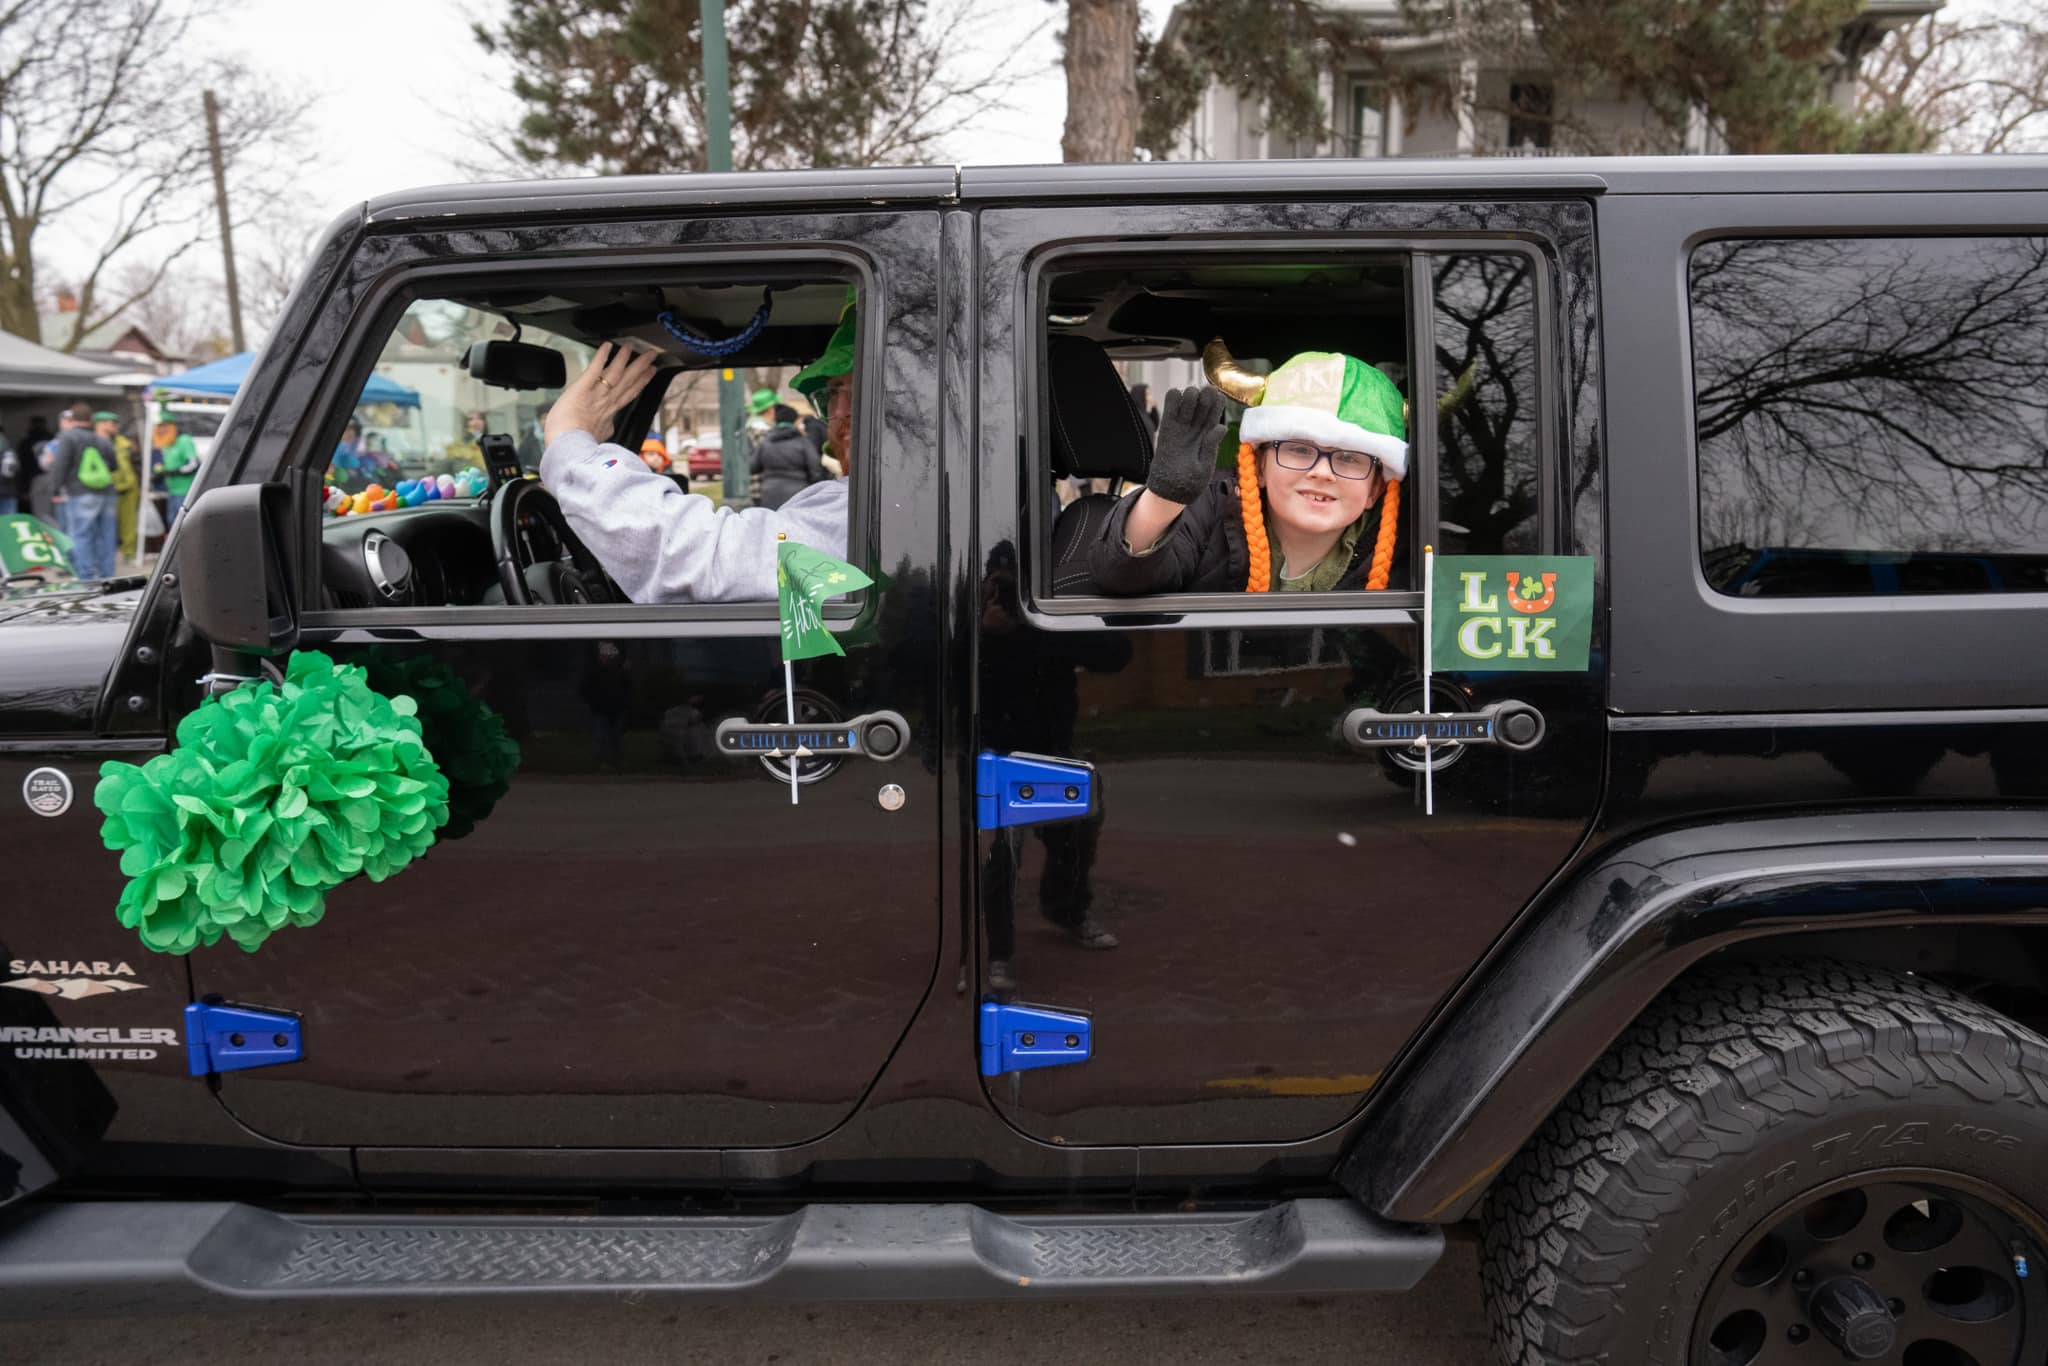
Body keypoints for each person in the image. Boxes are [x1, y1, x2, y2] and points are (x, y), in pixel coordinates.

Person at [539, 298, 856, 604]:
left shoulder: (860, 511)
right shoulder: (856, 502)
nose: (841, 411)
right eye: (833, 392)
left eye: (859, 388)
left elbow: (702, 560)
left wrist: (571, 444)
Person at [1090, 347, 1407, 595]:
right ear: (1258, 466)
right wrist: (1163, 499)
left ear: (1376, 489)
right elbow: (1121, 578)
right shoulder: (1211, 504)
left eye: (1350, 458)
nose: (1323, 472)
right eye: (1298, 449)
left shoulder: (1412, 548)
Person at [45, 403, 119, 579]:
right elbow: (114, 465)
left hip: (80, 492)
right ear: (91, 420)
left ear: (72, 419)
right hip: (107, 492)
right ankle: (107, 574)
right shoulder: (101, 439)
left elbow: (60, 466)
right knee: (107, 535)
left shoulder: (68, 437)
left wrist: (55, 490)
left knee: (81, 535)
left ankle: (86, 576)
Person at [749, 402, 826, 510]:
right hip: (798, 492)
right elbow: (816, 470)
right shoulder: (803, 442)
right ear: (794, 421)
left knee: (773, 524)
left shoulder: (765, 443)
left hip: (769, 492)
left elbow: (752, 467)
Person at [154, 410, 200, 526]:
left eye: (164, 426)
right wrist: (160, 473)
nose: (161, 430)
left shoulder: (184, 440)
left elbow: (193, 464)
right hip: (172, 491)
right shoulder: (166, 445)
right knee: (171, 522)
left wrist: (175, 472)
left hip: (185, 492)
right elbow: (165, 466)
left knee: (182, 523)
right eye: (159, 427)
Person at [109, 415, 140, 563]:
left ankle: (129, 553)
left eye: (116, 424)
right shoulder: (97, 442)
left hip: (128, 487)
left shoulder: (124, 443)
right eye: (112, 424)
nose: (115, 427)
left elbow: (136, 460)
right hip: (107, 488)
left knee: (129, 523)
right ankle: (109, 555)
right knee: (108, 525)